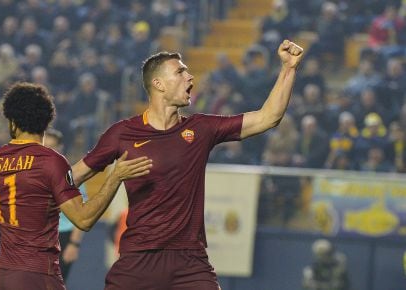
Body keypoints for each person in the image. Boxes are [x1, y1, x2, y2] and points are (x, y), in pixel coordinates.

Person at [72, 39, 304, 289]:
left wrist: (288, 69)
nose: (190, 77)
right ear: (158, 84)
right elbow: (72, 177)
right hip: (139, 260)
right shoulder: (122, 133)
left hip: (190, 262)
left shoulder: (201, 128)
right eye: (180, 71)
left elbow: (267, 118)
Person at [0, 82, 152, 290]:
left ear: (12, 122)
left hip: (2, 274)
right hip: (38, 274)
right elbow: (84, 219)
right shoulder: (51, 161)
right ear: (46, 122)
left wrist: (7, 211)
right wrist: (116, 177)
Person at [43, 128, 86, 282]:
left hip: (62, 237)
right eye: (44, 146)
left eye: (52, 147)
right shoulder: (30, 173)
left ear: (59, 149)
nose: (47, 151)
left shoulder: (71, 176)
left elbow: (82, 213)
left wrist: (74, 244)